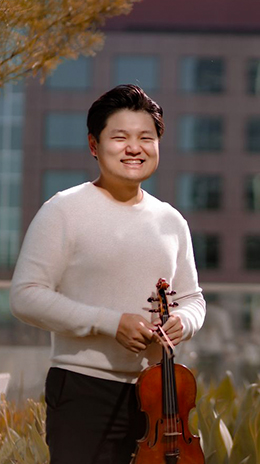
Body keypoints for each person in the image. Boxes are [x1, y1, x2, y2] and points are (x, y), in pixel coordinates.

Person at [10, 84, 206, 463]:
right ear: (93, 145)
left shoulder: (171, 220)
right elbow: (26, 295)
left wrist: (184, 320)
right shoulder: (64, 210)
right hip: (84, 390)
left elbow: (193, 297)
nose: (135, 148)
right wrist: (108, 322)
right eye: (120, 137)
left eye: (146, 137)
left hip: (160, 395)